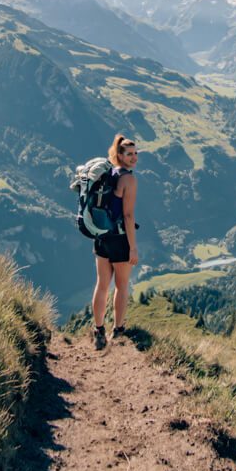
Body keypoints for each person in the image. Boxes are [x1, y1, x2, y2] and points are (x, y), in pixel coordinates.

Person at [91, 134, 139, 349]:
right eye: (129, 154)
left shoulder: (108, 173)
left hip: (101, 235)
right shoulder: (128, 179)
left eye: (136, 153)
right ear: (120, 155)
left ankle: (98, 330)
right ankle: (118, 330)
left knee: (102, 285)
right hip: (120, 238)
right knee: (121, 286)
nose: (134, 157)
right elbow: (128, 215)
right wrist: (133, 247)